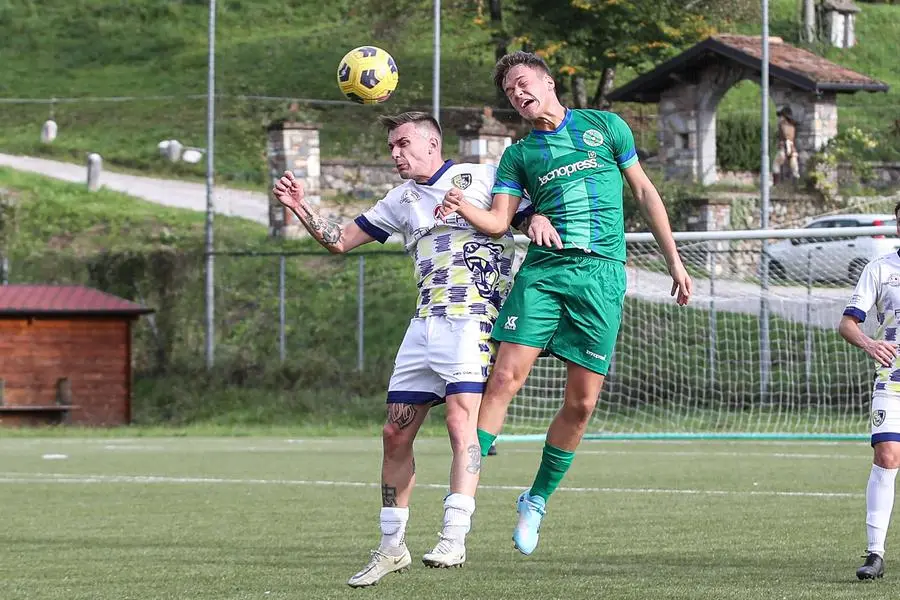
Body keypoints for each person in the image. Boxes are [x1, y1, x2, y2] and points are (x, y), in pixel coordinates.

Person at [272, 111, 551, 586]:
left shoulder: (480, 177)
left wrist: (537, 215)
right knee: (394, 434)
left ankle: (454, 536)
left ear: (431, 143)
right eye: (391, 148)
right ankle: (390, 546)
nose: (396, 154)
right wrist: (301, 206)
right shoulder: (401, 199)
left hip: (474, 321)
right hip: (423, 325)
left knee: (463, 422)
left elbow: (518, 216)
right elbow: (340, 241)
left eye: (403, 143)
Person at [439, 51, 693, 555]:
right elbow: (496, 220)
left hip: (600, 277)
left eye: (522, 82)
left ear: (549, 82)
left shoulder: (606, 127)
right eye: (509, 91)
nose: (517, 93)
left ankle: (535, 500)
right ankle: (458, 516)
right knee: (505, 380)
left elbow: (644, 192)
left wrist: (675, 262)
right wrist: (464, 205)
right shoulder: (519, 156)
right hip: (543, 273)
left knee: (582, 404)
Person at [839, 203, 900, 580]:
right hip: (892, 379)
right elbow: (847, 324)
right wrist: (869, 343)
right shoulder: (880, 268)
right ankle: (875, 554)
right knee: (887, 454)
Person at [772, 106, 800, 185]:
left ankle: (776, 184)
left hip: (784, 147)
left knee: (775, 165)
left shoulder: (782, 124)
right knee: (795, 168)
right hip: (792, 148)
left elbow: (784, 135)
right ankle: (796, 185)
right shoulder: (793, 125)